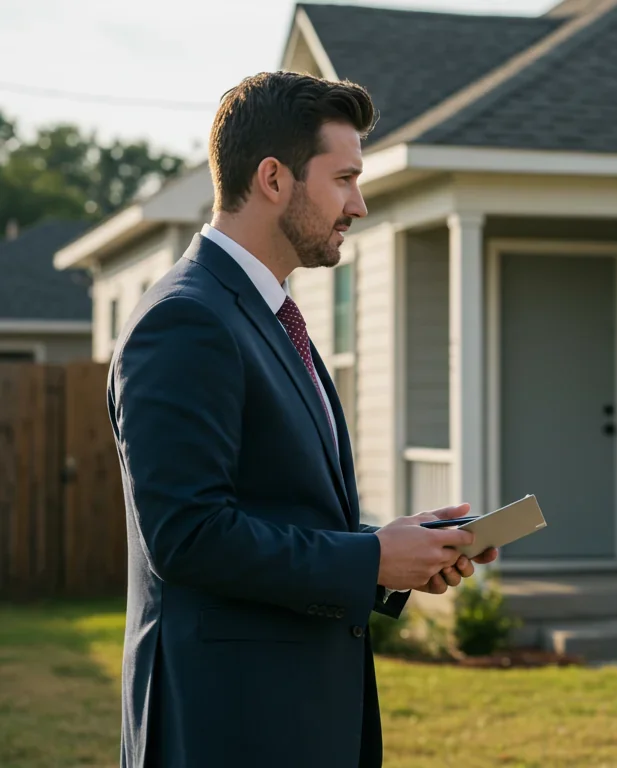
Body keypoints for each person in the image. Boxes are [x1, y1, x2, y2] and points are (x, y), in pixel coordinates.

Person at [108, 72, 498, 768]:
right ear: (273, 178)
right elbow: (188, 537)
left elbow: (280, 510)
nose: (360, 204)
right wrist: (371, 557)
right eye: (344, 178)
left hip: (298, 720)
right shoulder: (186, 319)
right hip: (226, 728)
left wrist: (393, 558)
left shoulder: (267, 314)